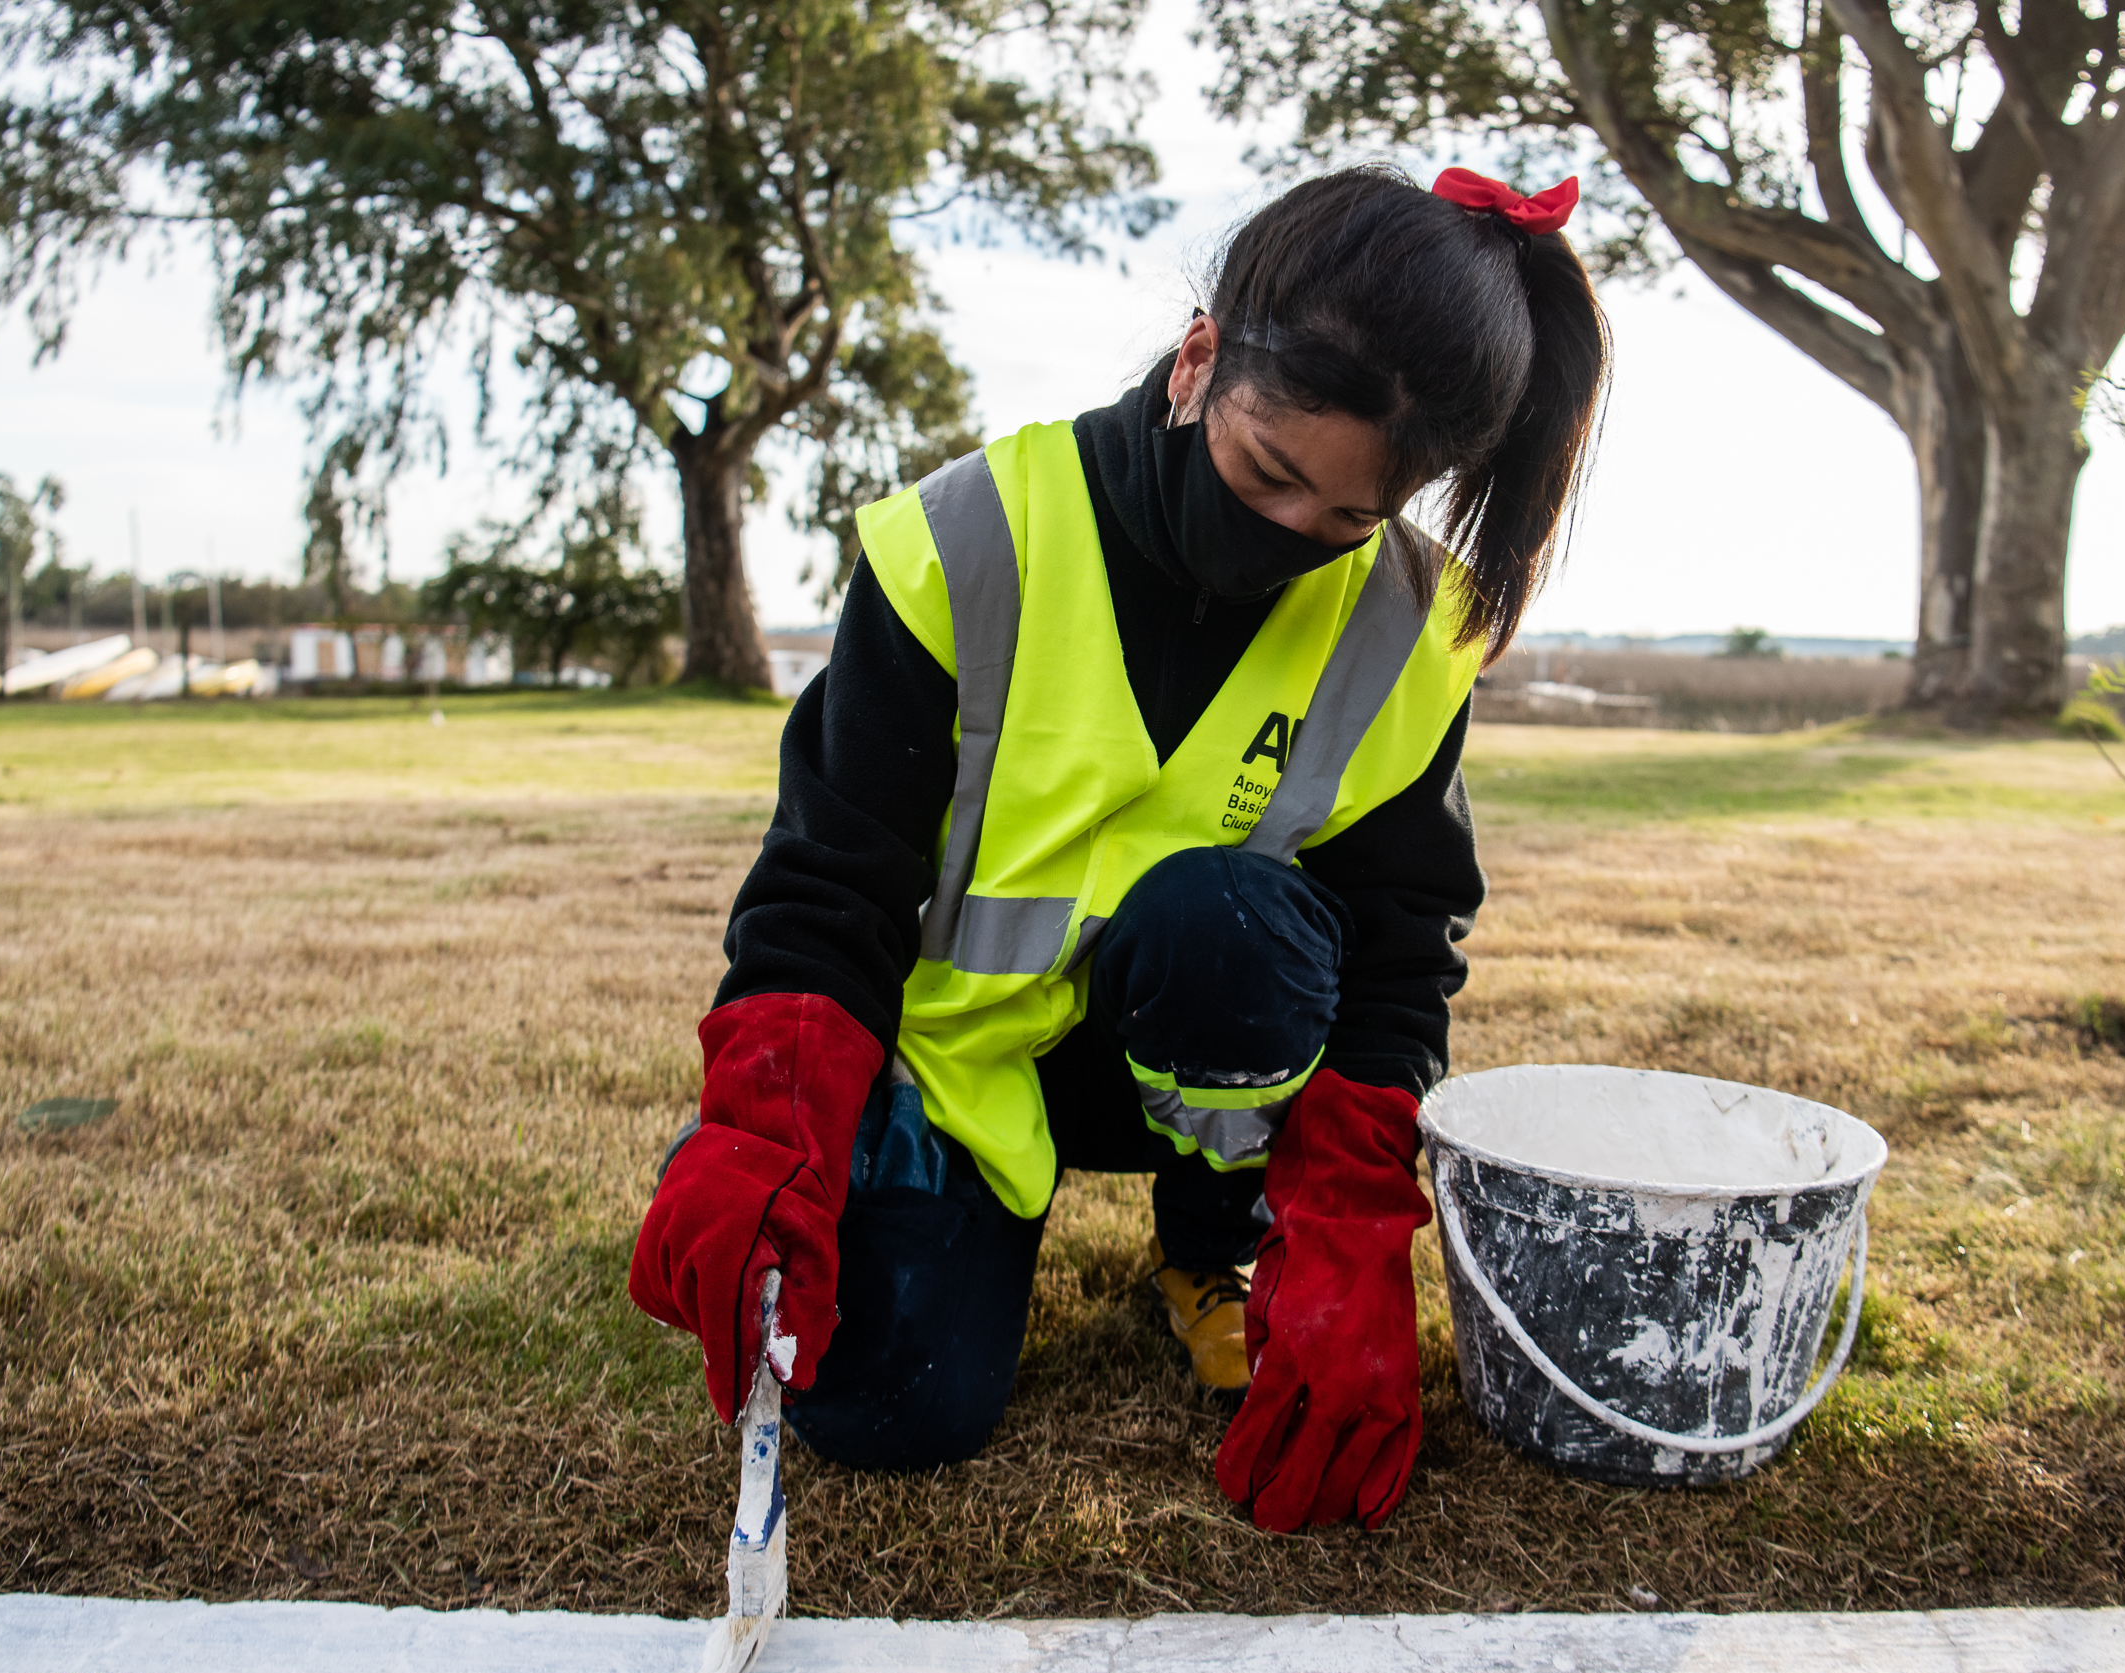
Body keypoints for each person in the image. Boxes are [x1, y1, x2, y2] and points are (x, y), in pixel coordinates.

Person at [629, 165, 1608, 1532]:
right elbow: (830, 882)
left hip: (1206, 1064)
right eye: (1269, 472)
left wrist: (1344, 1240)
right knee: (892, 1411)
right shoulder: (965, 540)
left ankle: (1218, 1239)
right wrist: (768, 1127)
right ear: (1200, 358)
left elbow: (1395, 959)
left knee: (1237, 925)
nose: (1289, 540)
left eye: (1346, 519)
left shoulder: (1408, 630)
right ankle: (886, 1172)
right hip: (961, 1062)